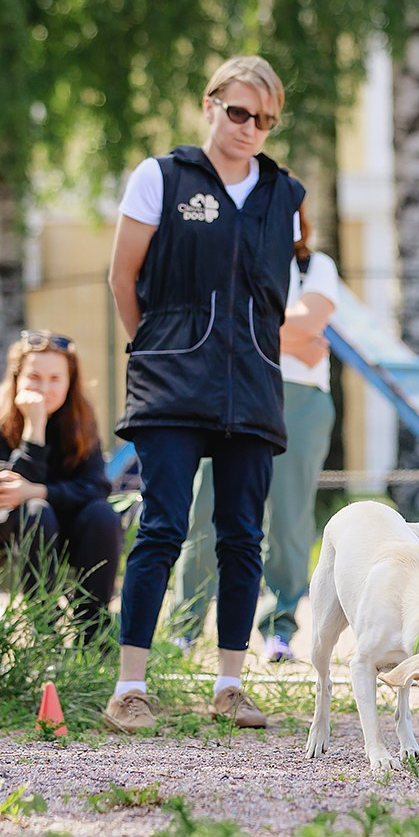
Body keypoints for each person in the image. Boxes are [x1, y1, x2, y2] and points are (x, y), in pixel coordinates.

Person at [105, 55, 305, 731]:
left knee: (243, 535)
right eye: (239, 111)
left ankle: (230, 683)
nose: (250, 128)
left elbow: (280, 294)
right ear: (210, 104)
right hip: (170, 379)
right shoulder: (160, 177)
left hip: (252, 382)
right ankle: (130, 687)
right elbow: (122, 278)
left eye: (265, 119)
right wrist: (160, 345)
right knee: (160, 527)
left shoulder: (287, 195)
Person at [164, 201, 340, 661]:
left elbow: (310, 322)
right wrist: (291, 334)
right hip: (230, 393)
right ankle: (185, 627)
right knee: (205, 510)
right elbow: (215, 323)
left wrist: (245, 325)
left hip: (298, 400)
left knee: (287, 519)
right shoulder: (225, 258)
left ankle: (278, 628)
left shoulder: (315, 266)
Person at [0, 329, 121, 634]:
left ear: (70, 382)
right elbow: (6, 494)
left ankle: (92, 628)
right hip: (9, 527)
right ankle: (45, 630)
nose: (44, 388)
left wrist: (37, 490)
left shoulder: (81, 419)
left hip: (69, 523)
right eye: (35, 377)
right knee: (37, 512)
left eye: (56, 379)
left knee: (102, 515)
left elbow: (97, 487)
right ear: (17, 378)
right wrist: (35, 426)